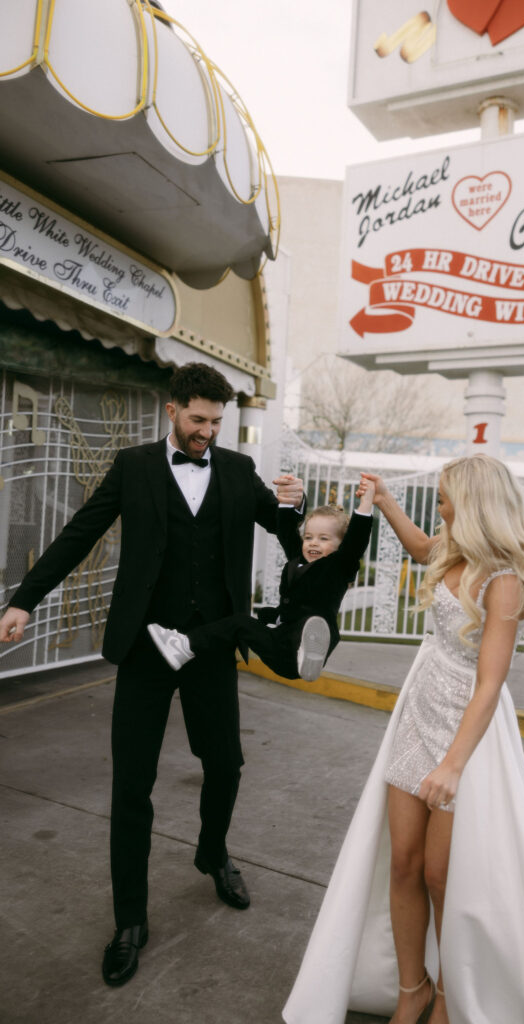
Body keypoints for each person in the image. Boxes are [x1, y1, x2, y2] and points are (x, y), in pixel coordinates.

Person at [0, 362, 305, 988]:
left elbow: (286, 535)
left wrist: (293, 508)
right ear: (172, 410)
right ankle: (130, 921)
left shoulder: (238, 471)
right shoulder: (134, 466)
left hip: (212, 646)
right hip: (144, 647)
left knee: (226, 764)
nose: (207, 433)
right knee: (131, 785)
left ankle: (212, 852)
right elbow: (79, 533)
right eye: (198, 420)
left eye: (217, 423)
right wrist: (23, 600)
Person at [283, 455, 524, 1024]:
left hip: (467, 737)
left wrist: (454, 765)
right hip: (418, 715)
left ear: (475, 503)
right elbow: (417, 547)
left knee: (442, 875)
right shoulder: (451, 549)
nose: (440, 506)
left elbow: (490, 683)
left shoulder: (504, 581)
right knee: (403, 863)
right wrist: (383, 501)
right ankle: (413, 988)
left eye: (446, 497)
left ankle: (455, 995)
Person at [147, 488, 374, 683]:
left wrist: (366, 501)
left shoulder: (338, 566)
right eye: (309, 537)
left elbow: (357, 539)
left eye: (324, 539)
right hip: (280, 646)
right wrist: (286, 504)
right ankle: (184, 646)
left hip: (305, 637)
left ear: (340, 545)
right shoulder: (298, 560)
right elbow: (286, 533)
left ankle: (309, 651)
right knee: (240, 623)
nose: (313, 543)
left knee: (309, 624)